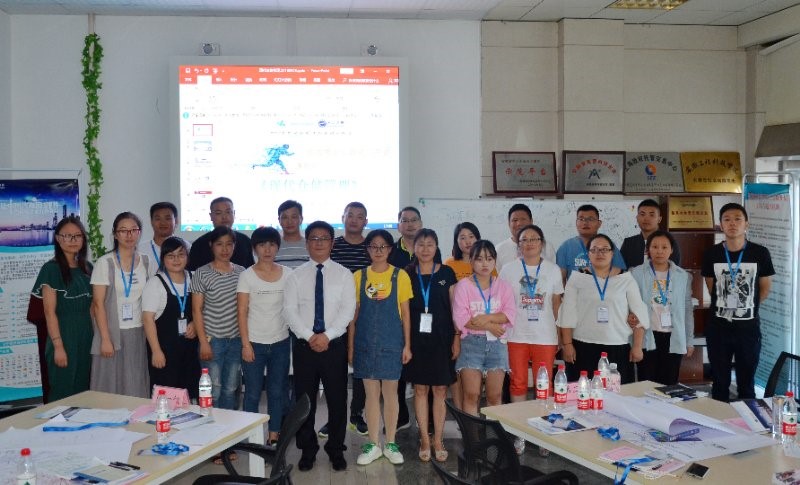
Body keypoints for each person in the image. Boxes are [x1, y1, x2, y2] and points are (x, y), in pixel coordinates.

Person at [283, 221, 356, 472]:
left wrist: (327, 336)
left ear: (332, 243)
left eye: (324, 238)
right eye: (314, 238)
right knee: (305, 400)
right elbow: (290, 311)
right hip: (304, 347)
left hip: (334, 346)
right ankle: (308, 450)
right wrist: (309, 336)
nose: (319, 243)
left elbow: (347, 310)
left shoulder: (344, 274)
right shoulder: (295, 276)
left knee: (337, 399)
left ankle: (336, 449)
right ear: (306, 243)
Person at [349, 229, 413, 466]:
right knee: (371, 394)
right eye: (373, 246)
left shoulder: (400, 276)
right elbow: (353, 317)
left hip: (391, 343)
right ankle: (373, 444)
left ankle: (391, 442)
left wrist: (407, 345)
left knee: (391, 393)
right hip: (365, 343)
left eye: (383, 246)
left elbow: (406, 314)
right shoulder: (358, 277)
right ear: (367, 250)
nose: (378, 251)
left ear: (390, 249)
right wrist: (351, 347)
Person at [498, 224, 563, 454]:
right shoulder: (508, 269)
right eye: (524, 240)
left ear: (542, 244)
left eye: (534, 239)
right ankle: (520, 433)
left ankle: (544, 434)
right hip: (516, 334)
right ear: (518, 245)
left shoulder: (553, 270)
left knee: (544, 384)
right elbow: (503, 302)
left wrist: (560, 335)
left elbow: (556, 304)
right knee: (517, 383)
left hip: (545, 335)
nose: (529, 243)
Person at [701, 203, 774, 402]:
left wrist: (745, 306)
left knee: (746, 384)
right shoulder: (711, 254)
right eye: (727, 219)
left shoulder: (760, 253)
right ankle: (720, 419)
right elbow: (712, 289)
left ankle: (748, 419)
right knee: (719, 383)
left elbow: (764, 289)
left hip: (748, 329)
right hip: (718, 328)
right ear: (720, 225)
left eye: (737, 219)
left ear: (746, 224)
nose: (732, 223)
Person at [559, 234, 648, 384]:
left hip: (617, 346)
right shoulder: (577, 278)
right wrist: (567, 344)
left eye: (604, 249)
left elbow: (639, 314)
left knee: (617, 393)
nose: (599, 253)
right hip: (582, 346)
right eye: (594, 249)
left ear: (612, 253)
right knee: (584, 393)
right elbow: (567, 313)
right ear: (588, 254)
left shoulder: (626, 279)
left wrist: (637, 346)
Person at [401, 229, 457, 463]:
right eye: (421, 244)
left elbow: (455, 308)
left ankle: (438, 440)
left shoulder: (446, 272)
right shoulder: (406, 273)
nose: (425, 249)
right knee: (420, 390)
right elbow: (404, 312)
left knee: (441, 390)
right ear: (414, 248)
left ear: (436, 247)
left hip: (442, 339)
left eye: (430, 244)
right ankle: (425, 438)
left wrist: (456, 337)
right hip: (416, 340)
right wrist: (406, 345)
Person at [237, 227, 291, 447]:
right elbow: (242, 311)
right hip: (254, 343)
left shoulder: (288, 274)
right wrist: (245, 344)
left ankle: (274, 436)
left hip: (280, 342)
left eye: (272, 244)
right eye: (262, 245)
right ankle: (252, 437)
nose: (267, 250)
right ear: (254, 248)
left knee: (277, 391)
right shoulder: (247, 275)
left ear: (278, 247)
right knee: (252, 393)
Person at [387, 206, 439, 431]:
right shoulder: (391, 251)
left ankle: (427, 419)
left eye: (413, 220)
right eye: (404, 220)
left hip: (428, 320)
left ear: (420, 223)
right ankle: (401, 417)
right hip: (400, 318)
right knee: (400, 370)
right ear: (398, 224)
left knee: (428, 371)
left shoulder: (432, 250)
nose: (409, 224)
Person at [322, 202, 371, 439]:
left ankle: (356, 414)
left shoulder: (370, 248)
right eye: (350, 215)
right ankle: (335, 419)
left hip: (364, 317)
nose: (354, 220)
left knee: (360, 370)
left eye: (359, 216)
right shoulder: (334, 246)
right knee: (336, 372)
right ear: (343, 218)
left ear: (366, 222)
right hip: (335, 318)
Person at [90, 212, 153, 397]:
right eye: (123, 231)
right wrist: (105, 339)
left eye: (134, 230)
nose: (129, 235)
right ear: (115, 234)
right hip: (111, 332)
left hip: (137, 331)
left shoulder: (146, 261)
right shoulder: (105, 263)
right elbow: (98, 304)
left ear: (139, 232)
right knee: (109, 384)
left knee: (135, 382)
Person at [30, 216, 93, 401]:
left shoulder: (88, 268)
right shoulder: (50, 269)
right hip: (64, 335)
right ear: (58, 238)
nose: (73, 240)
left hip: (86, 334)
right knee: (63, 390)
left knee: (84, 389)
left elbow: (94, 307)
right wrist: (58, 346)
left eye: (77, 236)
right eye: (67, 236)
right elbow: (49, 312)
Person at [452, 240, 516, 416]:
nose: (484, 264)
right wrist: (490, 326)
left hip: (497, 344)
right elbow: (461, 318)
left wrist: (485, 319)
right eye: (479, 259)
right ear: (471, 261)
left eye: (489, 259)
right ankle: (472, 434)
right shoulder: (463, 286)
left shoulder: (503, 286)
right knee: (471, 395)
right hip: (471, 344)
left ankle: (493, 432)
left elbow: (509, 313)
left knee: (495, 396)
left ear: (495, 261)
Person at [190, 226, 246, 412]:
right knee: (213, 390)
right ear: (211, 245)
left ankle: (229, 426)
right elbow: (197, 310)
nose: (225, 249)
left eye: (229, 244)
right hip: (212, 340)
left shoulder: (242, 272)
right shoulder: (202, 273)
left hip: (236, 340)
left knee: (231, 389)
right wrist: (203, 343)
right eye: (219, 244)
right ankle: (210, 425)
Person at [629, 230, 693, 386]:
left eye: (664, 247)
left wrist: (689, 340)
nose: (659, 251)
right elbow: (631, 306)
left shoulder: (683, 276)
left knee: (669, 385)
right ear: (648, 249)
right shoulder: (636, 273)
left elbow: (687, 309)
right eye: (655, 247)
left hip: (674, 336)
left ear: (671, 250)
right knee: (646, 383)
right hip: (647, 335)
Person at [142, 236, 201, 398]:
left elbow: (203, 308)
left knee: (190, 395)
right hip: (165, 352)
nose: (176, 260)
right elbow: (147, 319)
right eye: (171, 256)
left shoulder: (194, 278)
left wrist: (195, 323)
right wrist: (156, 351)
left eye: (181, 255)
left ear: (187, 257)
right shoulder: (155, 283)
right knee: (166, 398)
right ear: (163, 258)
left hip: (190, 351)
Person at [556, 204, 626, 283]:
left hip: (604, 289)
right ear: (576, 223)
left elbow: (620, 277)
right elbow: (560, 279)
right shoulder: (566, 247)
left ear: (599, 223)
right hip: (576, 290)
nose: (585, 222)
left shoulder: (609, 246)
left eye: (590, 219)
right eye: (581, 219)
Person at [187, 197, 254, 271]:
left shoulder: (245, 241)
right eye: (218, 213)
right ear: (211, 216)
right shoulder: (199, 244)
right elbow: (192, 272)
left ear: (234, 214)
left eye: (228, 212)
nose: (224, 217)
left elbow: (251, 270)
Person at [620, 199, 681, 268]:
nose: (646, 218)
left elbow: (674, 270)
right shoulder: (628, 243)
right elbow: (621, 270)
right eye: (642, 214)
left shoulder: (669, 242)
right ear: (637, 218)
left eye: (651, 215)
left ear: (659, 219)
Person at [495, 204, 556, 272]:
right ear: (509, 224)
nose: (519, 223)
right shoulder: (499, 249)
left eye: (523, 219)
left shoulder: (547, 247)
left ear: (531, 221)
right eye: (515, 220)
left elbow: (553, 272)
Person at [139, 201, 181, 276]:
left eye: (168, 218)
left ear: (176, 221)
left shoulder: (186, 248)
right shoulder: (140, 250)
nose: (163, 223)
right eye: (158, 219)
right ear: (151, 222)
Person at [274, 200, 310, 269]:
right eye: (285, 217)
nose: (289, 222)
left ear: (301, 219)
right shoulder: (273, 247)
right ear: (279, 220)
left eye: (294, 217)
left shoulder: (311, 246)